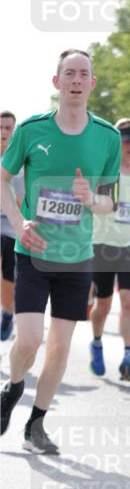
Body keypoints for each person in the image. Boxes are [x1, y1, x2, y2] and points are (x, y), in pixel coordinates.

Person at [0, 50, 120, 453]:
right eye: (68, 73)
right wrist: (18, 223)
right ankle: (14, 386)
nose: (75, 79)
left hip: (78, 256)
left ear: (92, 83)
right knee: (30, 339)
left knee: (61, 345)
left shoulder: (108, 136)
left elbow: (109, 202)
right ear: (56, 82)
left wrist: (91, 198)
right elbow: (2, 179)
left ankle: (36, 423)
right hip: (33, 250)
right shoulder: (32, 130)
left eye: (83, 74)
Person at [88, 119, 130, 381]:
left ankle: (128, 357)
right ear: (117, 142)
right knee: (103, 305)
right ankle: (97, 342)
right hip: (103, 243)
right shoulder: (105, 167)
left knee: (128, 302)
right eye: (126, 140)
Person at [1, 111, 25, 341]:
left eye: (9, 128)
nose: (4, 133)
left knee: (9, 282)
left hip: (11, 226)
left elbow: (22, 203)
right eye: (0, 127)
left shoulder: (19, 166)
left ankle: (8, 313)